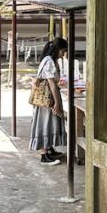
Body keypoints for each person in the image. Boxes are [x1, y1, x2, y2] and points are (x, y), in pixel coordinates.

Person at [30, 37, 68, 166]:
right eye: (63, 51)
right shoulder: (49, 61)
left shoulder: (50, 60)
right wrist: (57, 103)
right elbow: (51, 85)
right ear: (57, 49)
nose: (64, 54)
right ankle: (44, 155)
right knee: (44, 123)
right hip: (47, 98)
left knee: (50, 122)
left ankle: (49, 149)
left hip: (48, 97)